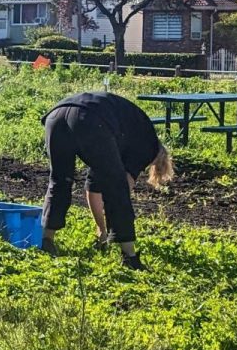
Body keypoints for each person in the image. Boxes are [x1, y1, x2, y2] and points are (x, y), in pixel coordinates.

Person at [39, 90, 174, 269]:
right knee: (117, 187)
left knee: (60, 179)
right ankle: (129, 257)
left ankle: (46, 241)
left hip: (56, 116)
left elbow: (93, 188)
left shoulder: (126, 134)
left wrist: (102, 230)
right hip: (89, 119)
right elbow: (122, 187)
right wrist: (115, 223)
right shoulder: (148, 146)